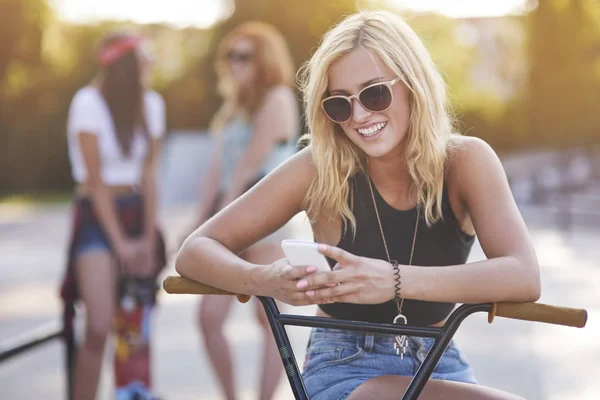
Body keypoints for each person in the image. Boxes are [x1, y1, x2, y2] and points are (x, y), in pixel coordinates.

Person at [176, 10, 540, 400]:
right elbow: (194, 251)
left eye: (374, 93)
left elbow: (523, 276)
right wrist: (263, 280)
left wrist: (394, 279)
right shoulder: (318, 167)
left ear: (412, 84)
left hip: (439, 360)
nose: (360, 115)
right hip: (343, 367)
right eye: (339, 104)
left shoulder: (466, 160)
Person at [186, 22, 299, 400]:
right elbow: (216, 171)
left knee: (269, 320)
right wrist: (196, 225)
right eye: (230, 56)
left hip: (267, 218)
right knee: (209, 319)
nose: (234, 63)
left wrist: (218, 223)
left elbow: (249, 166)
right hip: (232, 216)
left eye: (244, 56)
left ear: (263, 60)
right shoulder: (233, 108)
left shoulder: (278, 99)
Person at [60, 32, 166, 399]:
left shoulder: (151, 104)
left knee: (135, 320)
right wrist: (120, 242)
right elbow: (94, 181)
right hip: (96, 212)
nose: (150, 64)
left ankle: (135, 393)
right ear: (125, 65)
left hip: (136, 211)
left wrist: (149, 238)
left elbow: (151, 175)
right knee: (99, 323)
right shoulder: (87, 103)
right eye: (144, 57)